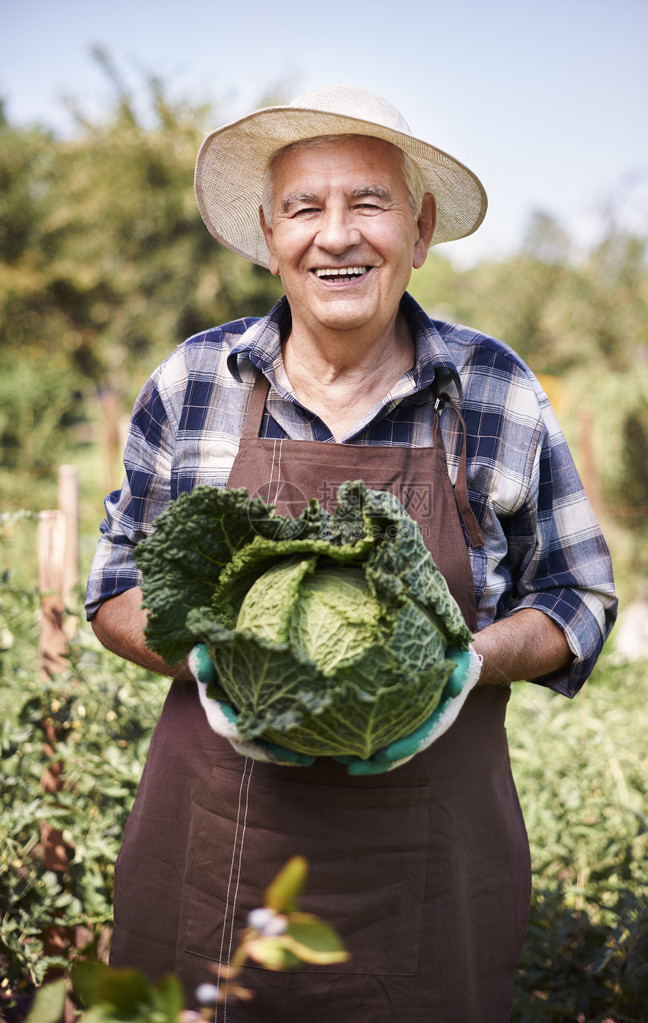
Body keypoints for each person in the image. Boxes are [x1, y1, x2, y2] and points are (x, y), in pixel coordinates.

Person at [85, 84, 617, 1021]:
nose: (337, 235)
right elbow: (115, 588)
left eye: (368, 203)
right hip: (217, 859)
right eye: (305, 208)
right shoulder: (193, 382)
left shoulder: (496, 389)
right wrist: (221, 661)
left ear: (416, 228)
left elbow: (578, 595)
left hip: (427, 878)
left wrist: (463, 664)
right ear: (268, 232)